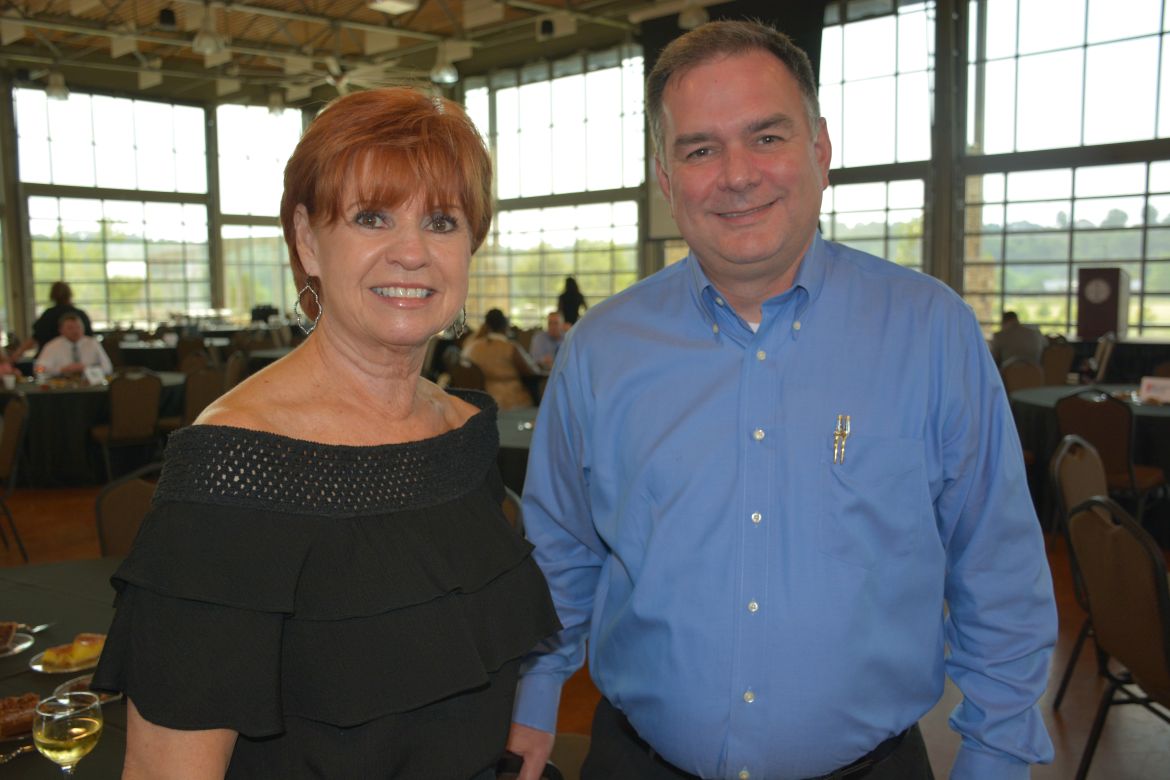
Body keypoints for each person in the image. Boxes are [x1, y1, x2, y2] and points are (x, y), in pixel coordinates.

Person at [507, 20, 1055, 780]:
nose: (737, 175)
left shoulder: (931, 331)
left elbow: (995, 563)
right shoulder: (600, 349)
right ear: (666, 178)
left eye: (766, 137)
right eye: (700, 150)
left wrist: (996, 755)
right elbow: (561, 548)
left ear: (820, 151)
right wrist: (536, 696)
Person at [92, 87, 560, 780]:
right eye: (372, 217)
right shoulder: (233, 467)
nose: (412, 252)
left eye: (441, 221)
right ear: (308, 241)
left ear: (471, 246)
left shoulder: (462, 436)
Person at [465, 308, 541, 410]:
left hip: (482, 399)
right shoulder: (510, 348)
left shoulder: (473, 347)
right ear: (505, 326)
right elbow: (531, 371)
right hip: (512, 400)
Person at [33, 313, 112, 377]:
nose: (75, 331)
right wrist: (61, 370)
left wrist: (87, 369)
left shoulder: (93, 343)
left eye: (78, 327)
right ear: (61, 330)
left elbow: (108, 368)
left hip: (89, 385)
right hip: (61, 387)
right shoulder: (52, 346)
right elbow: (38, 369)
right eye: (70, 328)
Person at [27, 281, 94, 356]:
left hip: (51, 356)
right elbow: (90, 337)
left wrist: (18, 353)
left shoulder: (48, 315)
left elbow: (35, 338)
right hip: (78, 356)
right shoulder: (81, 314)